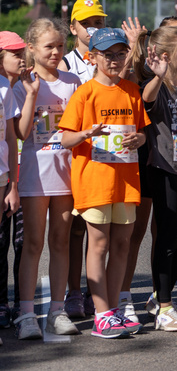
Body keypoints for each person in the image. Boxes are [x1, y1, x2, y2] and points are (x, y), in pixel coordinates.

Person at [58, 27, 149, 339]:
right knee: (98, 244)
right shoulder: (85, 93)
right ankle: (101, 314)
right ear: (92, 57)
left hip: (126, 181)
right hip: (95, 182)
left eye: (120, 53)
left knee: (122, 244)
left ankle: (113, 309)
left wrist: (138, 138)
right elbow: (66, 138)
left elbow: (141, 132)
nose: (115, 60)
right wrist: (86, 134)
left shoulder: (131, 91)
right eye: (108, 54)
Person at [12, 19, 81, 340]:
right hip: (34, 175)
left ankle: (57, 309)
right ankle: (26, 313)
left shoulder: (73, 82)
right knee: (33, 243)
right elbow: (22, 133)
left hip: (67, 174)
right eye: (48, 46)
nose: (55, 52)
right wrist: (30, 94)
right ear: (32, 49)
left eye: (59, 46)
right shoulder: (21, 84)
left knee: (60, 241)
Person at [134, 25, 177, 331]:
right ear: (167, 56)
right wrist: (158, 75)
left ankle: (159, 294)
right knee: (167, 238)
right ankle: (164, 307)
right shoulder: (157, 85)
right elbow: (146, 101)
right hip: (163, 169)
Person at [58, 0, 107, 320]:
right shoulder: (66, 63)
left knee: (101, 231)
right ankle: (74, 291)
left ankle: (96, 291)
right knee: (76, 230)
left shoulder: (109, 57)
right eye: (86, 23)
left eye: (97, 22)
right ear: (73, 27)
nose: (92, 29)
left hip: (108, 154)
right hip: (77, 154)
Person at [0, 31, 25, 329]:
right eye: (14, 53)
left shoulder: (8, 88)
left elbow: (13, 137)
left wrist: (13, 184)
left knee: (20, 242)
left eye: (22, 52)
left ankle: (20, 302)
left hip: (12, 177)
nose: (21, 58)